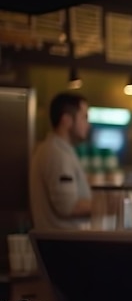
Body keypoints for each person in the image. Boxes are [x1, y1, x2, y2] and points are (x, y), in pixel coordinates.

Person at [29, 92, 92, 230]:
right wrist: (109, 205)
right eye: (84, 117)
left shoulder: (59, 150)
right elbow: (68, 206)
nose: (88, 124)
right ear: (66, 120)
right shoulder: (57, 153)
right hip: (62, 247)